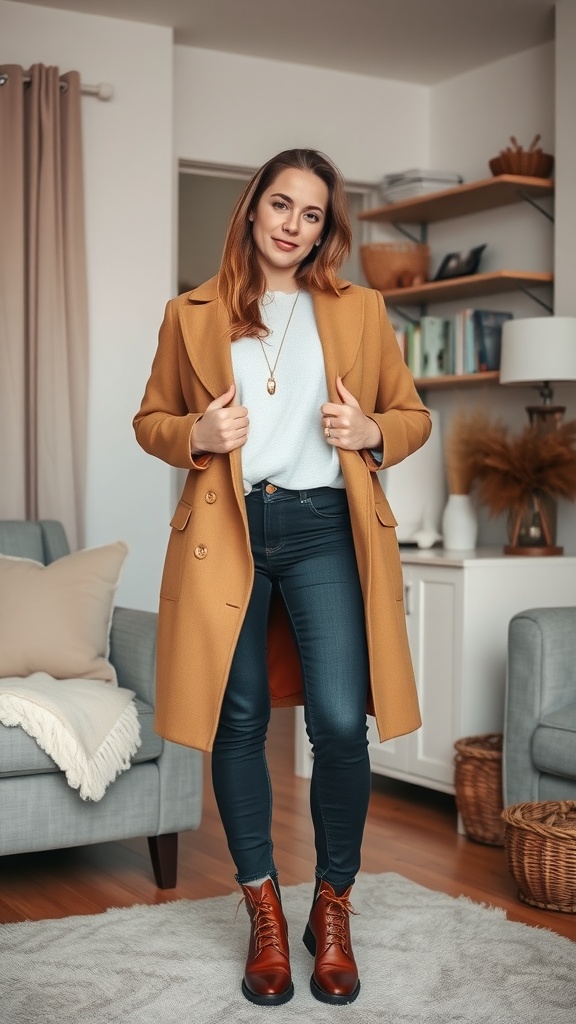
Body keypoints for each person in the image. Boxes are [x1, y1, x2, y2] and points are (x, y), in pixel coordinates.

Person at [133, 148, 431, 1007]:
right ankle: (263, 907)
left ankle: (330, 906)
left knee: (341, 722)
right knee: (241, 717)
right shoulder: (190, 313)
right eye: (280, 206)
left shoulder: (361, 310)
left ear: (325, 227)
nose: (293, 226)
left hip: (322, 526)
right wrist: (198, 433)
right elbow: (151, 419)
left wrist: (369, 426)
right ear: (252, 209)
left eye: (311, 214)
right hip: (228, 527)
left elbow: (411, 417)